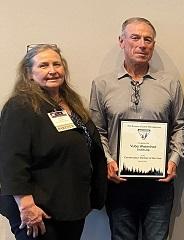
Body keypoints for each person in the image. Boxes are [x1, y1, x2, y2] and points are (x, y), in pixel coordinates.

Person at [89, 17, 184, 240]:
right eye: (135, 38)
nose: (142, 44)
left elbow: (180, 125)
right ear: (121, 41)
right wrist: (107, 161)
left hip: (159, 184)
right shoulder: (102, 84)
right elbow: (97, 130)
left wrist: (173, 160)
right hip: (119, 184)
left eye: (148, 40)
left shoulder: (170, 83)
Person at [0, 44, 107, 240]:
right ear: (29, 73)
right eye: (43, 65)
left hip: (70, 206)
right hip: (38, 210)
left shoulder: (71, 104)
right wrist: (26, 205)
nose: (52, 70)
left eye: (57, 64)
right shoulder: (21, 106)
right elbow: (11, 160)